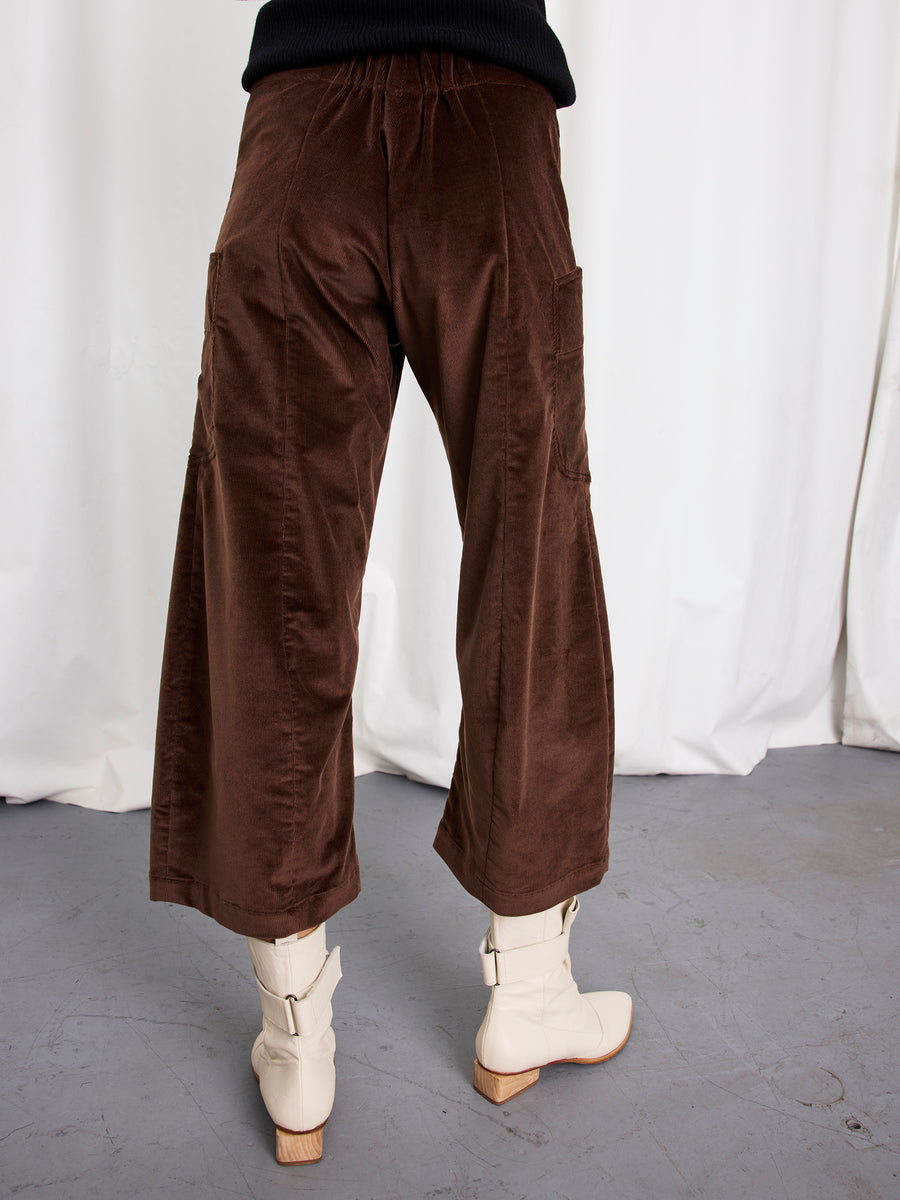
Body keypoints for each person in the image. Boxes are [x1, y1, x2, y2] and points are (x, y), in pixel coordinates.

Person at [148, 0, 632, 1165]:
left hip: (304, 124)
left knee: (274, 575)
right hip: (491, 113)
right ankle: (528, 993)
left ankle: (295, 1038)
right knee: (533, 559)